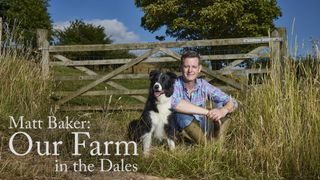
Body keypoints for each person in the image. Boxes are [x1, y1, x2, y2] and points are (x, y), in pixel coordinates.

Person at [171, 50, 238, 144]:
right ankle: (208, 146)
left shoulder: (203, 85)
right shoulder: (173, 84)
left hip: (202, 129)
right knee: (181, 115)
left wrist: (222, 111)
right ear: (181, 68)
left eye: (194, 67)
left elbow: (233, 102)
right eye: (186, 66)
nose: (190, 70)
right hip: (179, 132)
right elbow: (175, 103)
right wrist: (208, 112)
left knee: (224, 108)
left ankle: (216, 142)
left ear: (199, 68)